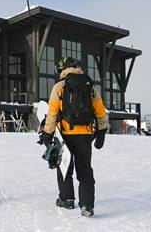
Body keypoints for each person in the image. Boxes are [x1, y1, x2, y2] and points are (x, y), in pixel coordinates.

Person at [39, 57, 107, 217]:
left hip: (66, 135)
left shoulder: (59, 87)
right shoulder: (89, 86)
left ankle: (67, 199)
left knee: (64, 166)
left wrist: (47, 134)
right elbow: (100, 110)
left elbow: (52, 113)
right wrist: (101, 131)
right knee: (85, 169)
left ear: (61, 70)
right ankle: (87, 205)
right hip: (85, 134)